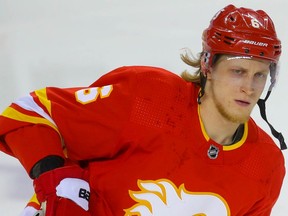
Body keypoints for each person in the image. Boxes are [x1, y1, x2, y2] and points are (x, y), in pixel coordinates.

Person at [0, 4, 286, 216]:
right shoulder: (148, 100)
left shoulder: (266, 168)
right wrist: (56, 179)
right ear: (207, 66)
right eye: (238, 71)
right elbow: (29, 113)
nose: (249, 87)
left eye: (260, 75)